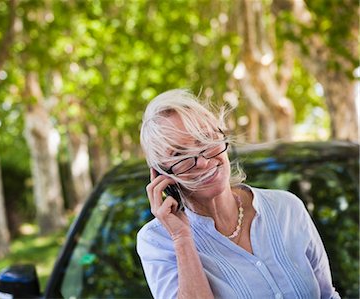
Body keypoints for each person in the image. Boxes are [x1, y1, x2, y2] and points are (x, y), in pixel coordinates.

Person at [136, 89, 340, 299]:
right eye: (179, 154)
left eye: (206, 139)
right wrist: (181, 238)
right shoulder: (157, 241)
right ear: (160, 174)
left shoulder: (287, 208)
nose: (204, 161)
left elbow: (327, 295)